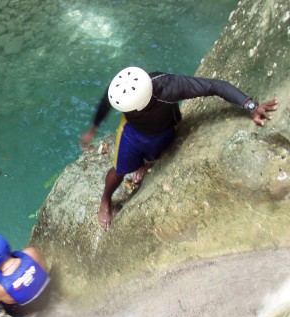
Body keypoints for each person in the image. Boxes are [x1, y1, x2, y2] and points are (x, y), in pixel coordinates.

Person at [80, 67, 279, 231]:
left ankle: (142, 164)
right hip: (133, 132)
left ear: (139, 105)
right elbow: (108, 99)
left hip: (166, 127)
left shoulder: (170, 86)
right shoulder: (124, 89)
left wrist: (251, 106)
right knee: (119, 170)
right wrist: (93, 128)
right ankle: (106, 200)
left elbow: (215, 86)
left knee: (156, 153)